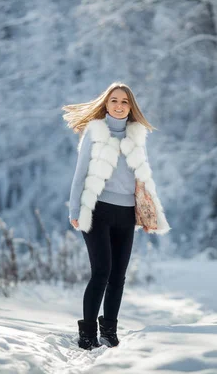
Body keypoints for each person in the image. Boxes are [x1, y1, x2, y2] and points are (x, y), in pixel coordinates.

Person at [62, 82, 170, 350]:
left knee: (118, 276)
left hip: (126, 215)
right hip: (97, 210)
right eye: (114, 101)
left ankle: (109, 330)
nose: (119, 105)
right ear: (106, 104)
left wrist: (148, 214)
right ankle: (87, 333)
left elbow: (142, 179)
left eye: (124, 101)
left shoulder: (137, 135)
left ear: (131, 106)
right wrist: (74, 209)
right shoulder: (94, 132)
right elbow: (80, 174)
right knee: (101, 271)